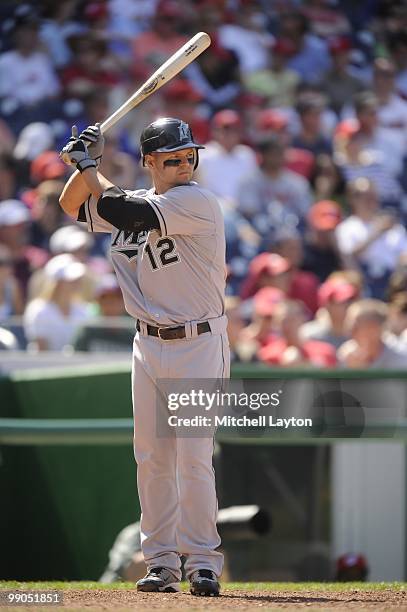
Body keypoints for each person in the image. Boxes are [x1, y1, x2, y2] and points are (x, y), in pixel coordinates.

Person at [59, 117, 230, 596]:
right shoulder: (135, 198)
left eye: (190, 155)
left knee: (193, 457)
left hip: (198, 341)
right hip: (148, 342)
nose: (184, 164)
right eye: (173, 158)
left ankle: (202, 563)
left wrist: (91, 165)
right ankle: (159, 563)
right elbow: (71, 203)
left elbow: (127, 212)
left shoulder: (196, 200)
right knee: (152, 457)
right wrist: (81, 164)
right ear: (149, 162)